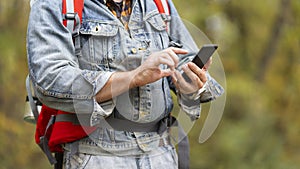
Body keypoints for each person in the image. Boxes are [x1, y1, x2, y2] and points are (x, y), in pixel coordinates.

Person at [27, 0, 223, 168]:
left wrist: (192, 86)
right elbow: (49, 79)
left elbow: (183, 58)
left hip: (161, 154)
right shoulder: (58, 4)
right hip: (95, 156)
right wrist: (132, 77)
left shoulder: (159, 4)